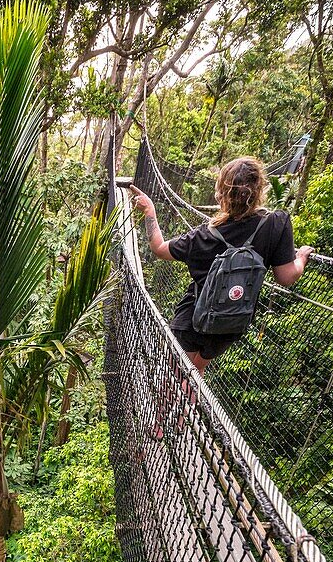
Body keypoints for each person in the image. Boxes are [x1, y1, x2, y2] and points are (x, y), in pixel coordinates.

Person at [129, 156, 314, 438]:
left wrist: (150, 212)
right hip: (232, 322)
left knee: (175, 370)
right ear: (260, 188)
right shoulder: (276, 224)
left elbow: (159, 248)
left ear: (221, 194)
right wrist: (300, 258)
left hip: (194, 316)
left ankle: (158, 430)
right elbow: (286, 276)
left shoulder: (204, 235)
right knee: (196, 369)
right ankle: (181, 425)